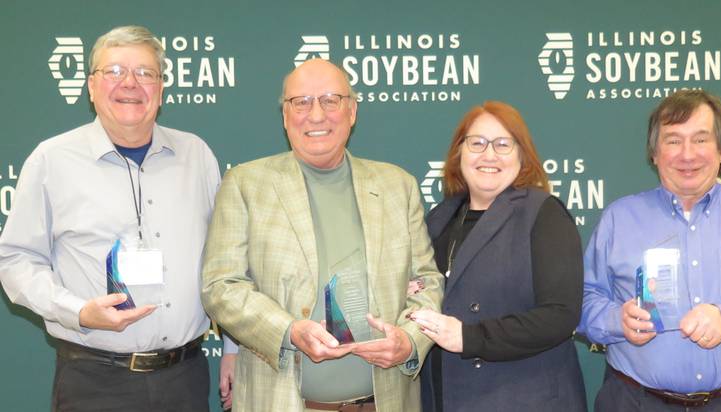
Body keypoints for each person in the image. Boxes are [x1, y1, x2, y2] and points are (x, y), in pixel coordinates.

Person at [200, 58, 444, 412]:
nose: (316, 115)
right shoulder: (245, 185)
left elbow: (427, 282)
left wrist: (408, 341)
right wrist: (287, 332)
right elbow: (221, 286)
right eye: (301, 102)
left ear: (352, 111)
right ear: (285, 115)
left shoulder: (397, 186)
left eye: (330, 100)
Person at [0, 26, 222, 411]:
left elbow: (226, 262)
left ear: (161, 87)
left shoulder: (196, 156)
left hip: (184, 378)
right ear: (91, 85)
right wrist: (78, 311)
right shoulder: (51, 160)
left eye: (145, 73)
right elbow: (15, 259)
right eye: (115, 71)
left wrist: (233, 347)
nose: (130, 84)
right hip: (93, 380)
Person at [578, 89, 721, 411]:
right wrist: (616, 320)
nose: (687, 154)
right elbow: (581, 300)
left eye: (700, 139)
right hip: (633, 402)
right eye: (672, 140)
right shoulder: (619, 218)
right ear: (654, 153)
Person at [410, 101, 587, 411]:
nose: (488, 155)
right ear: (459, 152)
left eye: (503, 144)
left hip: (524, 399)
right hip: (445, 399)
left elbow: (560, 314)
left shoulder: (543, 214)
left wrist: (469, 337)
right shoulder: (440, 219)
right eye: (476, 143)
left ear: (522, 154)